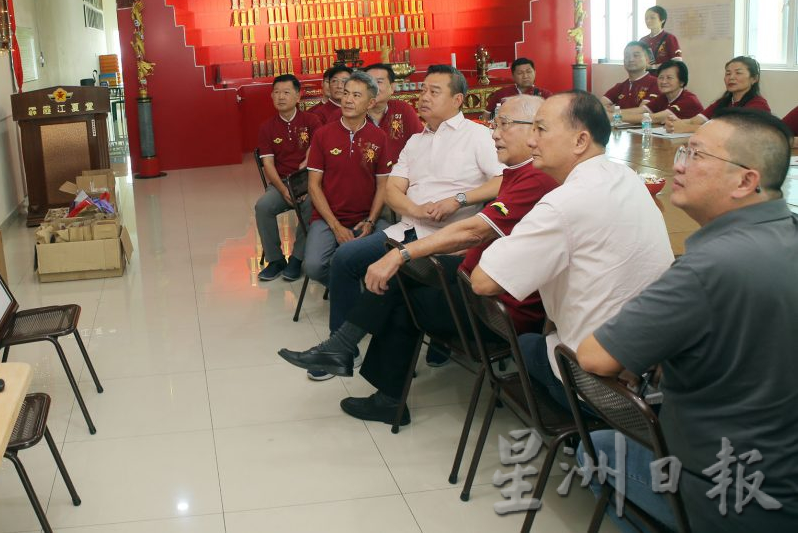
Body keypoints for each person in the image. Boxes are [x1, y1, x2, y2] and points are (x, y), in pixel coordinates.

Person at [577, 109, 798, 533]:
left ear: (745, 181)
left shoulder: (709, 267)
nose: (679, 165)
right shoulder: (784, 231)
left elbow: (595, 357)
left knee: (595, 451)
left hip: (728, 488)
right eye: (684, 152)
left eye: (696, 155)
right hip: (782, 471)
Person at [279, 95, 558, 423]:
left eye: (504, 125)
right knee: (401, 277)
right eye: (495, 124)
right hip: (475, 272)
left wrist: (404, 253)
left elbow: (475, 231)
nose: (494, 133)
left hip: (495, 306)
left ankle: (365, 373)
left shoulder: (535, 178)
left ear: (535, 131)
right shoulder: (515, 173)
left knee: (402, 295)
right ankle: (346, 352)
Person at [297, 65, 504, 379]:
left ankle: (358, 348)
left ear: (458, 99)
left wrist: (459, 199)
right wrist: (417, 210)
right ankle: (342, 351)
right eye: (423, 90)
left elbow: (502, 181)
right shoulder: (416, 141)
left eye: (434, 91)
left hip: (446, 238)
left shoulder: (477, 136)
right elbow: (392, 191)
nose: (424, 97)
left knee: (394, 279)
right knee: (345, 259)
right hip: (407, 228)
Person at [470, 91, 673, 405]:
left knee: (526, 344)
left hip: (599, 387)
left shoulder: (563, 204)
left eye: (541, 129)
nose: (532, 140)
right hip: (646, 368)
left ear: (580, 141)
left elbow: (483, 281)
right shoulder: (627, 176)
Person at [301, 71, 390, 300]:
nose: (348, 100)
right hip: (327, 217)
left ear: (370, 103)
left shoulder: (379, 137)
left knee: (390, 255)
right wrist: (335, 226)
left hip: (366, 218)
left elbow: (383, 186)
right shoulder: (322, 135)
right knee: (313, 266)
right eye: (346, 93)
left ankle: (358, 295)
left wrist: (371, 221)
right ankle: (352, 292)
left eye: (356, 95)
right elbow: (313, 186)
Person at [255, 74, 322, 282]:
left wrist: (307, 172)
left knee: (312, 204)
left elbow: (317, 150)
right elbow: (268, 165)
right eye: (276, 92)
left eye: (286, 92)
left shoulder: (311, 121)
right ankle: (276, 260)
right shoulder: (267, 127)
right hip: (282, 183)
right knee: (263, 207)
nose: (281, 97)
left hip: (308, 181)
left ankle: (297, 258)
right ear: (271, 96)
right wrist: (284, 191)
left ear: (298, 96)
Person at [665, 56, 772, 133]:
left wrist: (687, 128)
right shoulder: (723, 102)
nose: (731, 77)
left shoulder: (758, 104)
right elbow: (694, 121)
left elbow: (734, 133)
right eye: (728, 73)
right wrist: (675, 123)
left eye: (738, 73)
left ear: (754, 79)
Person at [363, 63, 424, 170]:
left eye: (379, 82)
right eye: (368, 82)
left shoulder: (403, 110)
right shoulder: (353, 114)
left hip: (399, 175)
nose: (373, 87)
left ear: (392, 87)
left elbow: (421, 144)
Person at [618, 59, 704, 124]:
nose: (663, 81)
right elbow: (641, 110)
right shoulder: (663, 97)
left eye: (669, 78)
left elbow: (655, 118)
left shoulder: (689, 100)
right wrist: (614, 113)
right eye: (661, 77)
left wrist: (616, 117)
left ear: (681, 82)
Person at [484, 58, 550, 118]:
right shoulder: (501, 94)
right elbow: (486, 115)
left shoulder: (545, 95)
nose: (525, 76)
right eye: (520, 73)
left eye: (529, 72)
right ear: (513, 76)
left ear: (535, 73)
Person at [603, 41, 660, 110]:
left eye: (636, 55)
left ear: (647, 60)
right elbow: (600, 106)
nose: (631, 59)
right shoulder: (620, 86)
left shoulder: (656, 83)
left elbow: (642, 112)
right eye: (627, 56)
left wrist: (613, 112)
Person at [638, 5, 682, 72]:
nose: (648, 21)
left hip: (663, 76)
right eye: (646, 18)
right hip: (646, 76)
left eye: (652, 18)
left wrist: (653, 67)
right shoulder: (643, 40)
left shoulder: (670, 38)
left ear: (662, 20)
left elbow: (677, 62)